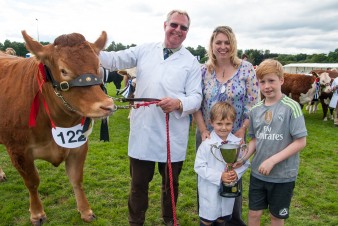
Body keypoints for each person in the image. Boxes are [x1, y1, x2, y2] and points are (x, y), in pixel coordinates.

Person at [99, 9, 202, 226]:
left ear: (187, 32)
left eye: (183, 28)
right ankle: (136, 222)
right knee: (138, 184)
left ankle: (169, 220)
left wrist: (179, 103)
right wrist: (86, 50)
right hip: (144, 131)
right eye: (174, 24)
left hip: (172, 132)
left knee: (170, 186)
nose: (178, 30)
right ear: (165, 25)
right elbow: (115, 59)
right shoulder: (145, 50)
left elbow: (196, 97)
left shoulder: (191, 62)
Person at [193, 25, 259, 226]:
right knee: (207, 176)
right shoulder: (203, 70)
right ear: (212, 45)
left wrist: (243, 128)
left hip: (235, 134)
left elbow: (253, 102)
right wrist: (204, 130)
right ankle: (207, 217)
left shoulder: (246, 69)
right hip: (207, 134)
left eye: (227, 42)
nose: (223, 46)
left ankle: (231, 219)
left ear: (233, 44)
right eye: (218, 42)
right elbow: (197, 103)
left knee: (232, 175)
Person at [238, 59, 307, 226]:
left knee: (276, 217)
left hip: (283, 176)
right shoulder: (255, 110)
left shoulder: (292, 107)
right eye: (262, 82)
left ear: (281, 80)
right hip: (258, 174)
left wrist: (272, 160)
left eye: (271, 81)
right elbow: (255, 139)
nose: (267, 86)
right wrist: (242, 158)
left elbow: (300, 142)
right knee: (254, 214)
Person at [195, 102, 250, 226]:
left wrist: (235, 173)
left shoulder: (237, 143)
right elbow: (198, 166)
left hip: (228, 188)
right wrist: (219, 176)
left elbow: (245, 163)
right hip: (209, 189)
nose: (223, 128)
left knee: (222, 217)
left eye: (228, 124)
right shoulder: (207, 144)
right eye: (219, 123)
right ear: (211, 122)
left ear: (233, 122)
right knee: (207, 220)